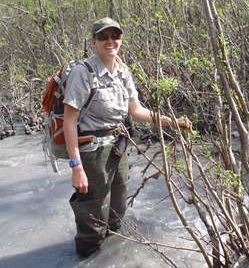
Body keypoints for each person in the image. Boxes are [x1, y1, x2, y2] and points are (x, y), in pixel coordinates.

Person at [63, 17, 192, 257]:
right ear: (94, 42)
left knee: (117, 209)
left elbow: (137, 111)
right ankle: (88, 254)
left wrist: (171, 121)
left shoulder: (122, 72)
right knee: (92, 213)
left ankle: (110, 255)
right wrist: (76, 166)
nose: (110, 41)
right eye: (103, 37)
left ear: (121, 40)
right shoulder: (83, 72)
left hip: (118, 147)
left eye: (115, 36)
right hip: (91, 152)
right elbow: (69, 121)